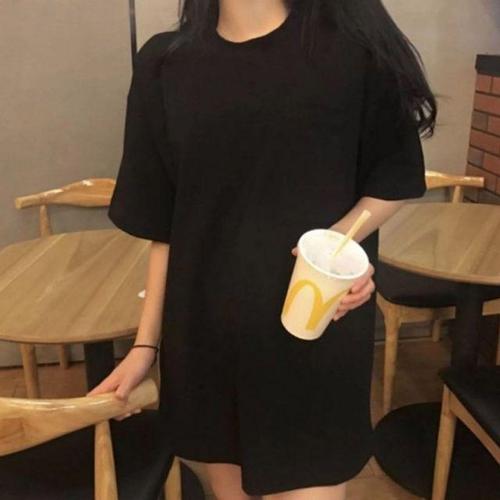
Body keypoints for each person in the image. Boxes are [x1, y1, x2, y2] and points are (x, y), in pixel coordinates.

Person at [88, 0, 437, 498]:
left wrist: (336, 247)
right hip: (205, 340)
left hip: (312, 335)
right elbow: (166, 224)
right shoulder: (164, 64)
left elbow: (394, 173)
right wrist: (146, 346)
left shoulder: (351, 51)